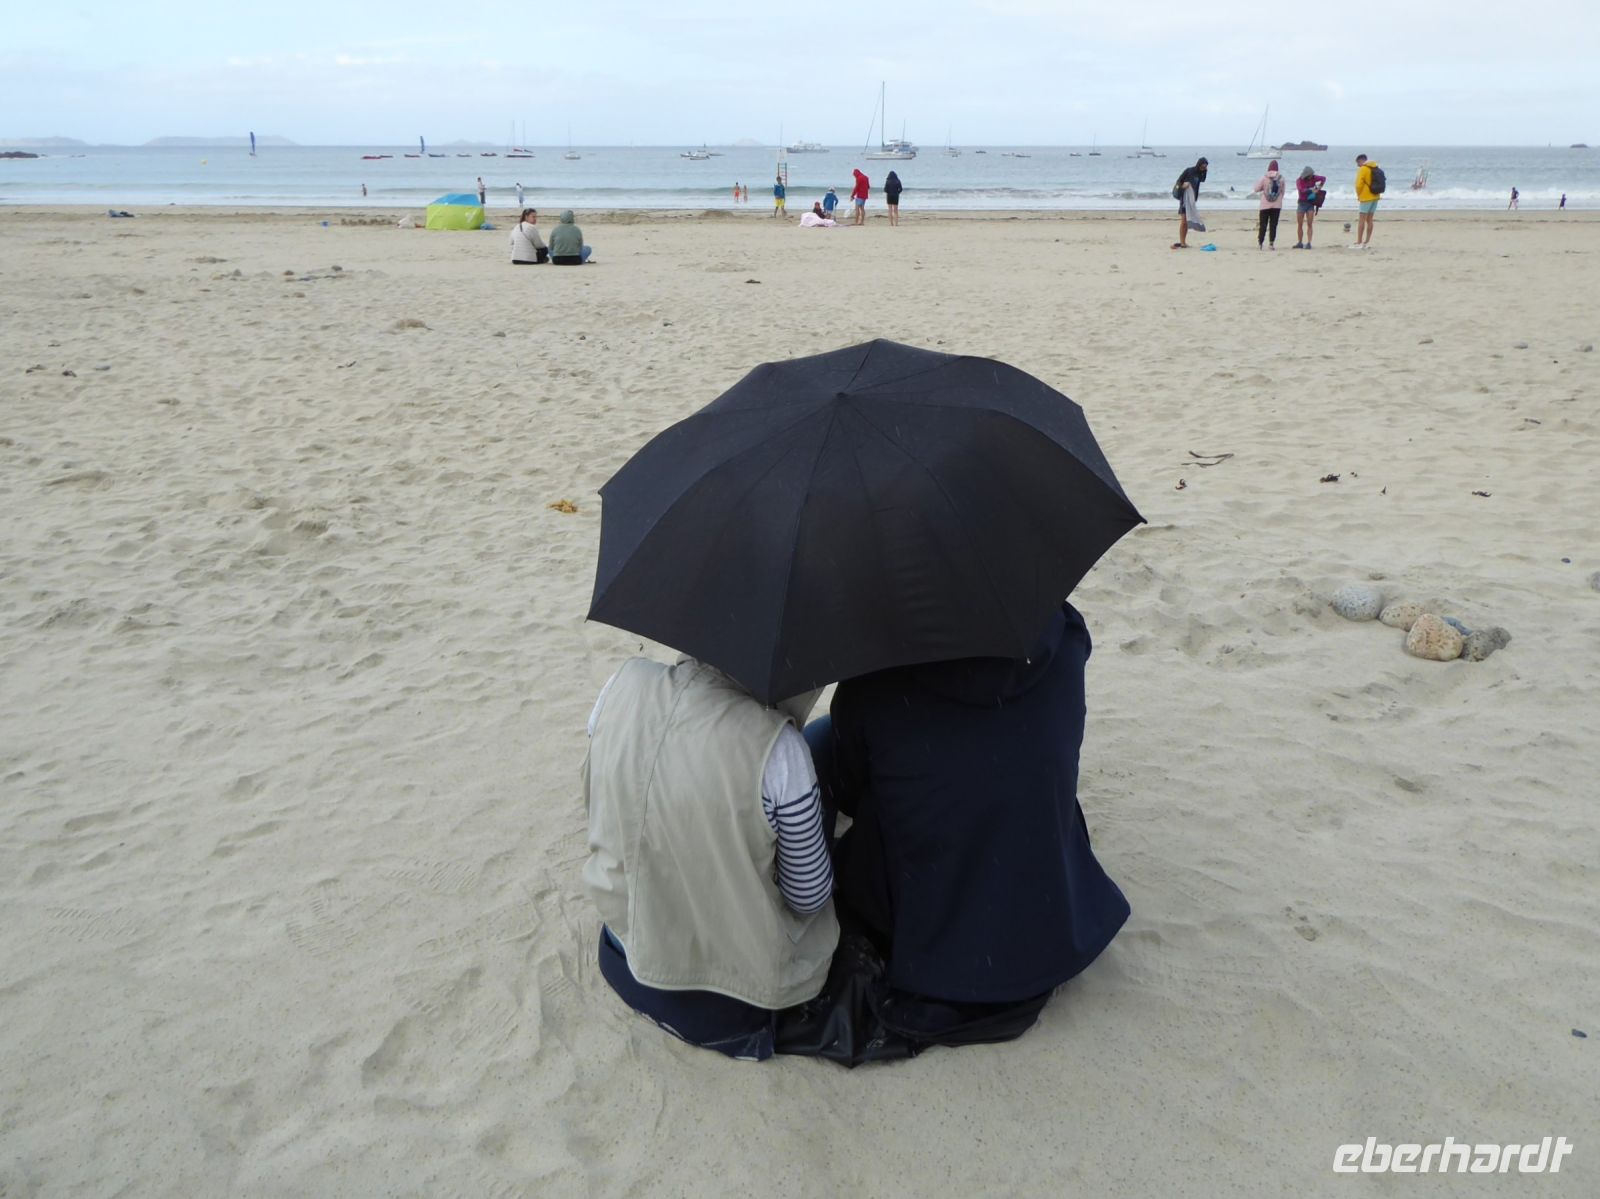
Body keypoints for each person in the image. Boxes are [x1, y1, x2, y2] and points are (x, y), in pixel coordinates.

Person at [801, 602, 1129, 1054]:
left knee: (816, 744)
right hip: (1049, 912)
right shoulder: (1064, 635)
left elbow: (851, 790)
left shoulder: (876, 673)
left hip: (929, 934)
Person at [583, 658, 839, 1060]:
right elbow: (808, 898)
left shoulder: (620, 684)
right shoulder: (780, 751)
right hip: (729, 1003)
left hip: (621, 949)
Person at [1172, 156, 1208, 248]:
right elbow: (1178, 182)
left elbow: (1203, 180)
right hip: (1184, 199)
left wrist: (1205, 171)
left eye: (1205, 167)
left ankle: (1183, 242)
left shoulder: (1200, 174)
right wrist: (1183, 185)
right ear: (1198, 164)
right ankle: (1182, 242)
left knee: (1187, 221)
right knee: (1184, 221)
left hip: (1192, 200)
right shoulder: (1189, 171)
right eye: (1202, 166)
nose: (1203, 168)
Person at [1251, 159, 1287, 250]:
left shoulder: (1264, 178)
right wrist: (1278, 199)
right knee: (1273, 225)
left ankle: (1260, 243)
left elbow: (1256, 189)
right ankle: (1271, 244)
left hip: (1264, 205)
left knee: (1263, 224)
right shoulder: (1281, 178)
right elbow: (1283, 192)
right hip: (1277, 205)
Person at [1293, 165, 1326, 249]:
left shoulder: (1313, 177)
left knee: (1309, 224)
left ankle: (1309, 242)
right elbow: (1301, 190)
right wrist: (1312, 189)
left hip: (1310, 204)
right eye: (1310, 175)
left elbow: (1323, 178)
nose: (1312, 177)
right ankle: (1300, 242)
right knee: (1300, 224)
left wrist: (1319, 187)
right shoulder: (1299, 180)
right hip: (1301, 203)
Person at [1352, 154, 1380, 249]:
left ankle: (1359, 241)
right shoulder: (1375, 167)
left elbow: (1358, 184)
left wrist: (1358, 195)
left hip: (1366, 197)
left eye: (1358, 163)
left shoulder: (1363, 169)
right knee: (1370, 220)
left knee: (1362, 220)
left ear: (1361, 161)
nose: (1357, 165)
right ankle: (1367, 241)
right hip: (1375, 196)